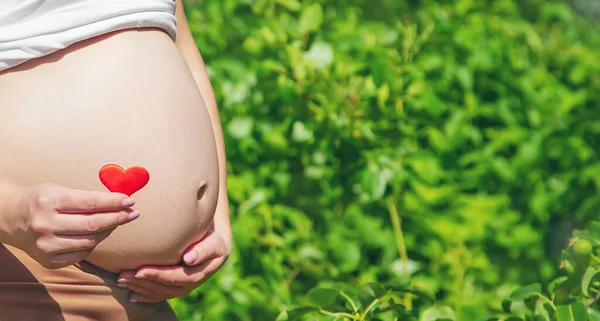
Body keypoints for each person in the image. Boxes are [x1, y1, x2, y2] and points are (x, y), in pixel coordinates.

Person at [0, 0, 231, 320]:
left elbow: (182, 47)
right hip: (30, 277)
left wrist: (216, 218)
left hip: (145, 296)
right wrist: (10, 212)